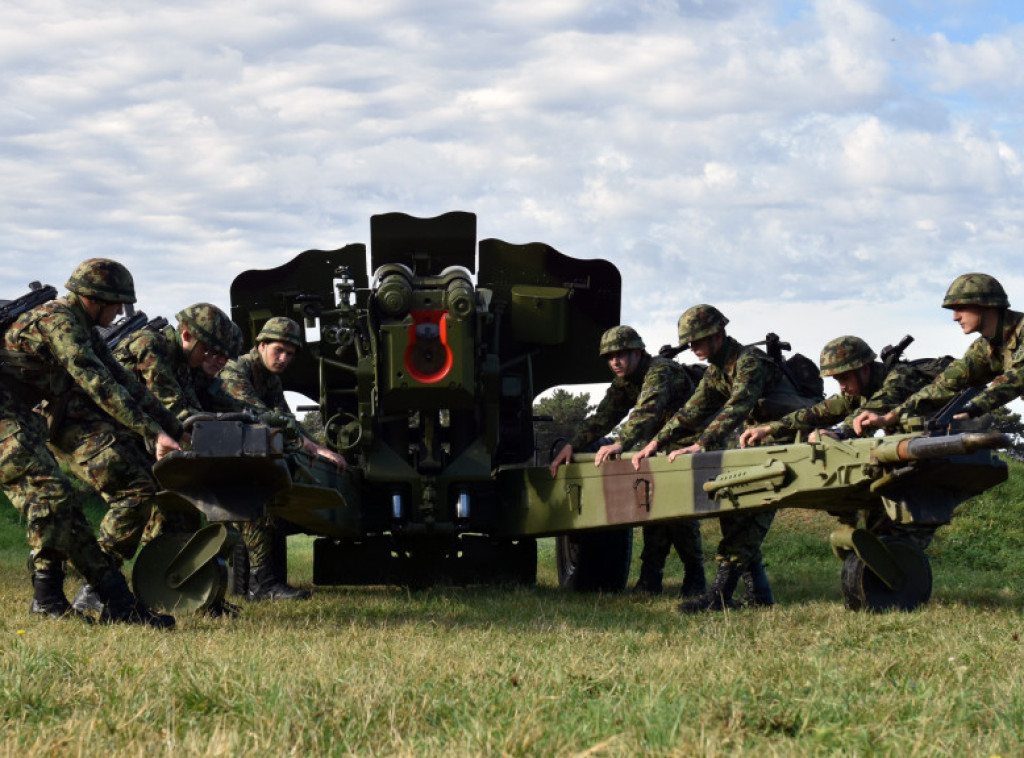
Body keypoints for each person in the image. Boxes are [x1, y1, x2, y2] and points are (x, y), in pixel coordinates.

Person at [0, 259, 179, 627]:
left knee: (62, 505)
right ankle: (49, 598)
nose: (119, 314)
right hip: (6, 415)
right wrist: (151, 432)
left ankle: (115, 602)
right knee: (51, 497)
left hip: (22, 413)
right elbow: (97, 383)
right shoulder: (60, 322)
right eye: (116, 304)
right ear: (94, 299)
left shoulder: (84, 325)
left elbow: (123, 381)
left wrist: (174, 427)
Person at [632, 305, 817, 612]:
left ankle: (719, 595)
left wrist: (701, 443)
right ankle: (759, 595)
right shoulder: (718, 372)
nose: (692, 347)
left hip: (788, 442)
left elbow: (738, 406)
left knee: (746, 517)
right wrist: (655, 443)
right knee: (736, 511)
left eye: (698, 339)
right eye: (689, 341)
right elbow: (693, 411)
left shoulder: (749, 362)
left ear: (717, 335)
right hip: (760, 444)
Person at [549, 325, 706, 597]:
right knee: (652, 510)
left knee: (680, 513)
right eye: (609, 357)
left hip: (690, 442)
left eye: (621, 354)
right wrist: (573, 445)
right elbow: (604, 415)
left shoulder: (661, 371)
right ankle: (650, 580)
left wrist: (621, 442)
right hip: (657, 446)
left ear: (638, 353)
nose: (615, 361)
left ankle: (696, 578)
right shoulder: (626, 381)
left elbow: (647, 409)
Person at [110, 301, 242, 617]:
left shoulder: (183, 365)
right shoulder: (150, 344)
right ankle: (97, 586)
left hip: (144, 436)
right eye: (211, 352)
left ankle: (180, 592)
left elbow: (200, 409)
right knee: (137, 495)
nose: (216, 361)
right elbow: (175, 410)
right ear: (186, 335)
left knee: (182, 511)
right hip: (108, 432)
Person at [217, 316, 347, 601]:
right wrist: (306, 445)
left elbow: (286, 418)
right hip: (213, 453)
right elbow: (255, 415)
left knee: (261, 511)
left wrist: (316, 447)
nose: (284, 358)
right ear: (261, 345)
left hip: (236, 455)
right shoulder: (234, 371)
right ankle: (259, 584)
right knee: (251, 511)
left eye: (290, 354)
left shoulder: (270, 379)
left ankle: (258, 583)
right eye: (279, 350)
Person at [854, 273, 1023, 435]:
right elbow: (944, 386)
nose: (955, 317)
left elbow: (1017, 377)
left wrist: (973, 409)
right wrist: (890, 417)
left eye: (960, 308)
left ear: (985, 304)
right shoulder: (984, 348)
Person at [739, 335, 935, 447]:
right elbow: (816, 413)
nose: (841, 386)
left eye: (845, 377)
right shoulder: (858, 391)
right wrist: (769, 428)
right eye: (837, 379)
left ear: (864, 369)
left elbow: (876, 407)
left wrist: (840, 433)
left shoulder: (900, 378)